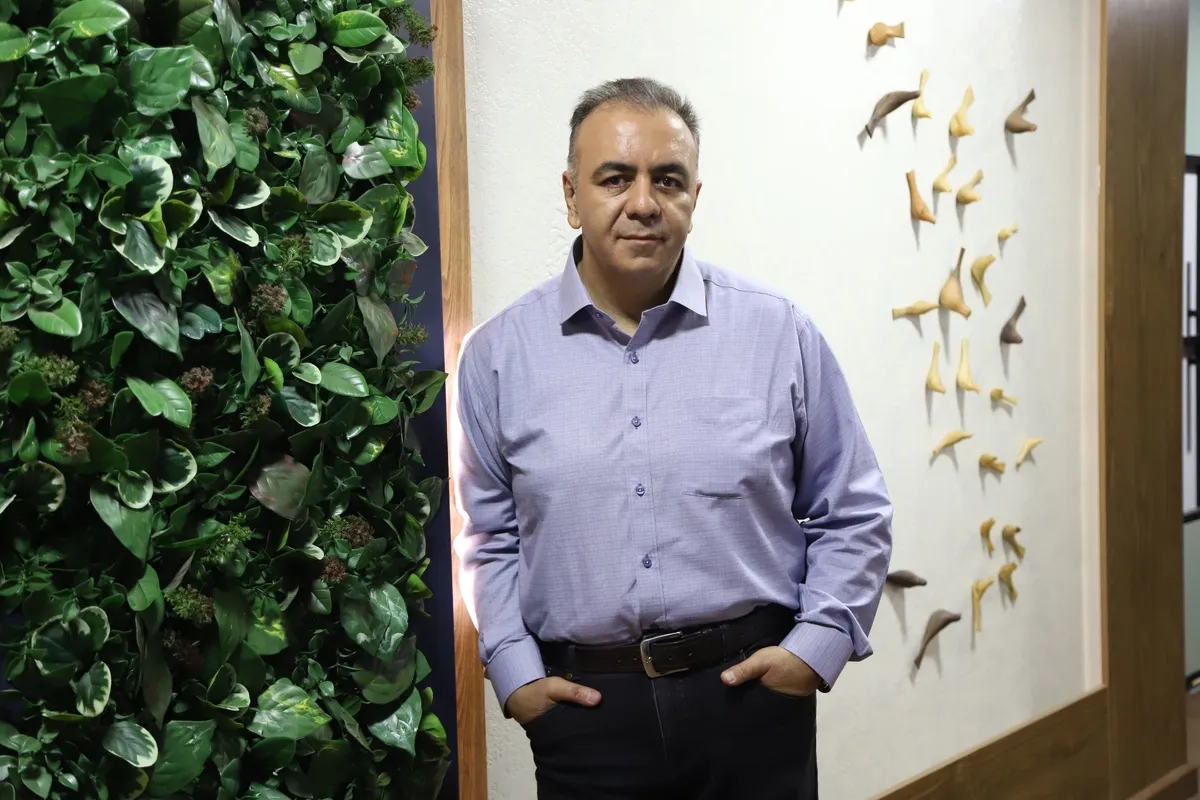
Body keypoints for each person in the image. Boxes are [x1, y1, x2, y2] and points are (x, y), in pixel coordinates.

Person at [450, 76, 893, 799]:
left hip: (752, 700)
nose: (644, 203)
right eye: (614, 178)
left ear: (694, 196)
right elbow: (488, 534)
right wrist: (514, 671)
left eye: (668, 179)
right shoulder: (498, 357)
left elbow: (852, 509)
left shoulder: (777, 332)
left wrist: (816, 649)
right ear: (571, 195)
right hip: (587, 720)